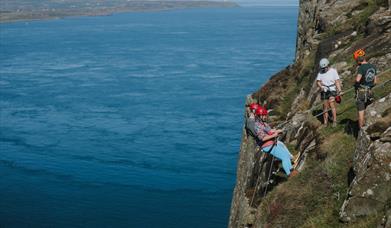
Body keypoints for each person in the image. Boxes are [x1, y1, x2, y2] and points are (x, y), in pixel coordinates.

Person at [253, 106, 298, 177]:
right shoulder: (257, 126)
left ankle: (291, 169)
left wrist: (278, 131)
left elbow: (270, 131)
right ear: (259, 115)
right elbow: (263, 138)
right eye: (264, 115)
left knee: (285, 154)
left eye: (265, 115)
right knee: (284, 157)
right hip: (267, 145)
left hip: (271, 143)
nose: (265, 117)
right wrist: (274, 135)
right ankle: (290, 174)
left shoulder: (263, 123)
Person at [353, 49, 378, 128]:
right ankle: (370, 127)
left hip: (361, 92)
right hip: (370, 91)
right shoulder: (373, 67)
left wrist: (356, 85)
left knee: (361, 113)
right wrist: (369, 86)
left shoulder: (361, 68)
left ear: (358, 60)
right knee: (369, 111)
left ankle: (361, 132)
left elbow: (357, 80)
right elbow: (375, 81)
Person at [316, 58, 342, 127]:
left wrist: (339, 90)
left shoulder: (333, 71)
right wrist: (321, 87)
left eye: (325, 67)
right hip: (324, 90)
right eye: (323, 68)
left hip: (332, 89)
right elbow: (318, 82)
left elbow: (337, 81)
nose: (324, 69)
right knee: (325, 107)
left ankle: (334, 121)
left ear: (328, 65)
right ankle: (325, 122)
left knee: (332, 105)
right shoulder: (320, 73)